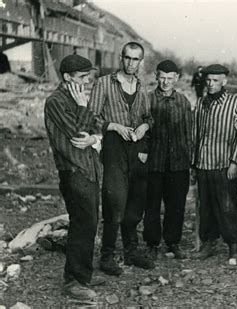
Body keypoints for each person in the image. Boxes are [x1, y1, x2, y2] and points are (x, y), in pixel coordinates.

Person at [89, 41, 155, 275]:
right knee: (115, 199)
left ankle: (131, 251)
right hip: (114, 146)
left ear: (140, 62)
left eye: (135, 59)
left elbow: (149, 117)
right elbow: (92, 118)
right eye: (127, 58)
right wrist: (115, 126)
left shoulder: (141, 86)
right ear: (121, 58)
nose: (130, 63)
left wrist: (144, 127)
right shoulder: (104, 83)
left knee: (136, 201)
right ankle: (107, 256)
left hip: (137, 147)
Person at [44, 55, 104, 299]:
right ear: (67, 77)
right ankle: (73, 282)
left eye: (88, 75)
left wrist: (94, 138)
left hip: (89, 169)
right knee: (82, 224)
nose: (87, 80)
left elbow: (96, 126)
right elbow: (78, 136)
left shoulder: (75, 97)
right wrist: (83, 110)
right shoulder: (56, 101)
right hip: (74, 171)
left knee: (90, 224)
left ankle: (84, 275)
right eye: (82, 76)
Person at [192, 64, 237, 263]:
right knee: (206, 205)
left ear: (224, 81)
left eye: (215, 80)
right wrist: (193, 164)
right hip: (204, 163)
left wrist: (234, 162)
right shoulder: (200, 103)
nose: (211, 84)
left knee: (227, 206)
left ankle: (234, 246)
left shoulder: (234, 103)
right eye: (208, 80)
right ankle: (209, 243)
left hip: (224, 164)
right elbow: (195, 135)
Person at [143, 60, 192, 259]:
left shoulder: (183, 102)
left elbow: (189, 134)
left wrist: (190, 160)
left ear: (176, 79)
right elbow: (142, 132)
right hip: (154, 163)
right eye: (162, 77)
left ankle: (173, 242)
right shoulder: (146, 100)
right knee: (152, 205)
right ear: (156, 76)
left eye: (170, 79)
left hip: (178, 164)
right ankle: (152, 244)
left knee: (176, 205)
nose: (165, 82)